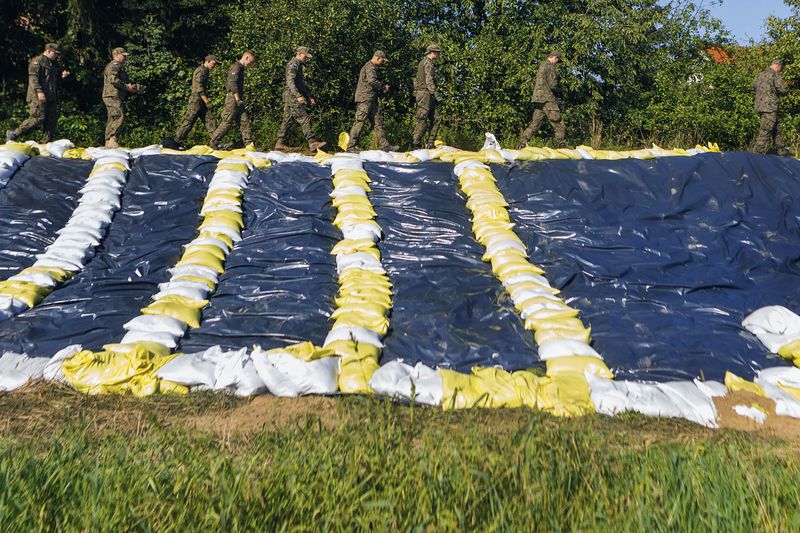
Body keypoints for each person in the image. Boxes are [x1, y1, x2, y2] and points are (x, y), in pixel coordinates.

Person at [6, 43, 70, 143]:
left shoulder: (53, 64)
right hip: (37, 96)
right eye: (55, 53)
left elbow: (53, 81)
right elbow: (33, 78)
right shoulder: (37, 61)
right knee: (38, 117)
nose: (57, 56)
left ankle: (46, 143)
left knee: (51, 120)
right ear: (48, 51)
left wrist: (62, 77)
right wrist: (39, 91)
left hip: (50, 96)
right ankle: (14, 134)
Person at [274, 47, 326, 152]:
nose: (306, 58)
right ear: (299, 54)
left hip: (291, 95)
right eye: (305, 56)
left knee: (287, 120)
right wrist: (298, 95)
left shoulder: (299, 65)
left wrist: (308, 96)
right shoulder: (293, 64)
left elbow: (301, 84)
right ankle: (312, 142)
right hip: (292, 95)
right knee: (304, 118)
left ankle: (279, 143)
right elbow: (290, 82)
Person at [346, 51, 398, 152]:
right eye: (382, 60)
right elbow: (372, 81)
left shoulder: (370, 66)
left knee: (377, 122)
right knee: (359, 122)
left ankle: (385, 146)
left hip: (370, 99)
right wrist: (383, 87)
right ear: (378, 58)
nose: (383, 63)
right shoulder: (370, 66)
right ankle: (351, 146)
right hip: (365, 99)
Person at [209, 50, 256, 150]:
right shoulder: (236, 67)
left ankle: (249, 145)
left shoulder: (241, 68)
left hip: (238, 98)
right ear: (246, 57)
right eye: (250, 62)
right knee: (227, 121)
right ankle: (213, 143)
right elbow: (232, 84)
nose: (250, 65)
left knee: (244, 121)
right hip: (233, 98)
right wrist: (237, 99)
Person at [520, 51, 566, 149]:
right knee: (557, 121)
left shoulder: (542, 65)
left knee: (535, 122)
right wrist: (559, 91)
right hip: (548, 98)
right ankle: (562, 144)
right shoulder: (550, 66)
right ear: (555, 58)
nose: (556, 63)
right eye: (557, 61)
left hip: (538, 98)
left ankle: (523, 143)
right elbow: (553, 84)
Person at [174, 55, 219, 147]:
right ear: (208, 61)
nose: (214, 66)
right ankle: (176, 141)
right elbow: (199, 87)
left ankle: (215, 143)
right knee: (189, 121)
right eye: (214, 64)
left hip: (201, 100)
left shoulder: (205, 71)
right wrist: (207, 101)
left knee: (210, 120)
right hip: (196, 100)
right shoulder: (201, 70)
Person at [102, 47, 138, 149]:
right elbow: (113, 79)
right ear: (117, 55)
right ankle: (113, 139)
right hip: (113, 94)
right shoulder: (115, 65)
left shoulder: (117, 66)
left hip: (112, 95)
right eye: (124, 55)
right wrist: (127, 87)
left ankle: (108, 141)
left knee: (113, 117)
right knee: (119, 116)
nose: (125, 58)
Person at [753, 59, 789, 156]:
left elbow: (754, 87)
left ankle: (781, 152)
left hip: (760, 106)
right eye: (780, 69)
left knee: (777, 129)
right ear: (777, 66)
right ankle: (758, 154)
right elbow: (784, 90)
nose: (780, 71)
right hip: (770, 108)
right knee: (765, 130)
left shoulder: (759, 75)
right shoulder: (775, 76)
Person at [411, 44, 442, 150]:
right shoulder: (427, 63)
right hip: (425, 94)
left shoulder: (424, 62)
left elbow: (416, 79)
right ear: (432, 52)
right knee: (422, 119)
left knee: (437, 118)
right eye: (437, 52)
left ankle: (430, 143)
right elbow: (429, 79)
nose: (438, 54)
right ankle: (416, 144)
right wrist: (435, 93)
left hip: (426, 93)